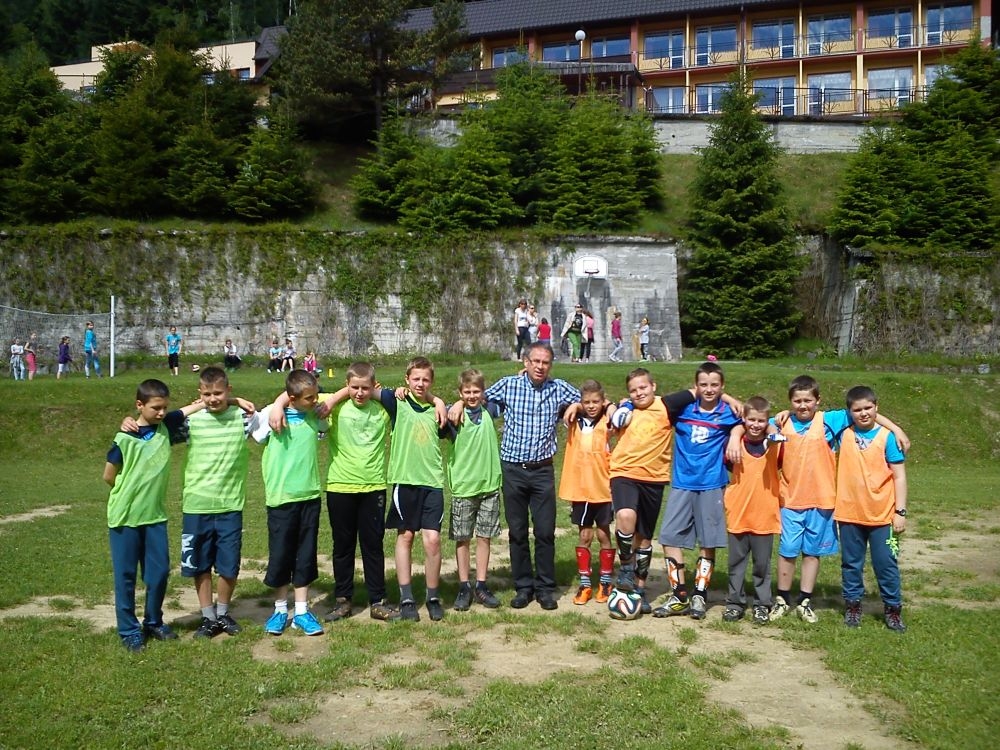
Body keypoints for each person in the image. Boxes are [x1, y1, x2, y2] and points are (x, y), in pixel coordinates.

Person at [450, 342, 580, 610]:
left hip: (542, 470)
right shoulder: (509, 385)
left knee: (545, 531)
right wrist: (458, 403)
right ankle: (523, 587)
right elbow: (477, 396)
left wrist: (575, 406)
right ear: (526, 362)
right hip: (513, 470)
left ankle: (544, 588)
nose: (540, 366)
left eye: (545, 362)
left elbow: (591, 400)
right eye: (536, 361)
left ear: (550, 365)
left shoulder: (558, 388)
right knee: (518, 531)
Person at [770, 375, 908, 624]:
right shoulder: (783, 421)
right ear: (790, 401)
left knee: (818, 553)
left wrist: (896, 429)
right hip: (797, 501)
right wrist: (779, 419)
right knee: (791, 551)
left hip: (827, 502)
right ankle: (785, 599)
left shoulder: (831, 420)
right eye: (797, 401)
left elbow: (865, 412)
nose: (803, 405)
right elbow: (756, 423)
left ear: (818, 400)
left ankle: (807, 601)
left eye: (808, 400)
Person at [103, 379, 201, 651]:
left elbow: (190, 409)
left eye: (164, 407)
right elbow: (108, 476)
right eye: (156, 408)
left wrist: (219, 401)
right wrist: (130, 492)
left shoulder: (165, 427)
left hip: (155, 517)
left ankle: (154, 621)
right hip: (124, 517)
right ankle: (129, 630)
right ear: (139, 405)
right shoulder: (123, 438)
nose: (161, 412)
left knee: (158, 573)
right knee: (125, 577)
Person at [304, 362, 401, 623]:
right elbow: (297, 392)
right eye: (354, 387)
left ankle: (378, 601)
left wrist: (377, 393)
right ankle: (343, 600)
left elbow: (403, 397)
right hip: (340, 486)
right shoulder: (334, 407)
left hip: (373, 487)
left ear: (374, 387)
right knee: (343, 546)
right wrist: (335, 397)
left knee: (373, 546)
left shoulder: (383, 409)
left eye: (365, 388)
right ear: (346, 386)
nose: (359, 393)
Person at [653, 361, 742, 620]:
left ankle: (700, 595)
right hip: (682, 482)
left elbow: (751, 419)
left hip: (711, 483)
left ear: (722, 386)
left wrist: (735, 434)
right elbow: (666, 402)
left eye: (715, 385)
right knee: (669, 537)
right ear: (696, 386)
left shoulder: (729, 413)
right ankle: (679, 595)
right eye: (703, 384)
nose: (709, 389)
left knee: (708, 541)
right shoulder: (684, 409)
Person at [607, 368, 696, 614]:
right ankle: (626, 569)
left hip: (654, 479)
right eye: (633, 390)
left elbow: (699, 391)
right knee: (625, 516)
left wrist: (731, 401)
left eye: (643, 387)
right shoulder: (625, 411)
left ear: (653, 386)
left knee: (644, 538)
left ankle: (638, 589)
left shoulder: (666, 405)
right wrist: (613, 406)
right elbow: (603, 408)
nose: (639, 393)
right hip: (624, 472)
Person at [252, 370, 327, 636]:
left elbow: (332, 402)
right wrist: (277, 405)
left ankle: (302, 612)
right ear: (292, 398)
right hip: (281, 499)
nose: (315, 401)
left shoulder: (314, 415)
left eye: (316, 396)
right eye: (309, 398)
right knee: (281, 555)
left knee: (305, 556)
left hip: (309, 497)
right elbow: (255, 433)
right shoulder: (270, 416)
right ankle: (280, 610)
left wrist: (286, 401)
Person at [835, 386, 909, 632]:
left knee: (886, 563)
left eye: (868, 407)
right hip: (849, 513)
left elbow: (899, 476)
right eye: (857, 409)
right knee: (851, 563)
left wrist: (900, 512)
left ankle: (893, 609)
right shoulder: (843, 432)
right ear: (850, 412)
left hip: (883, 515)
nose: (863, 413)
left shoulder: (888, 437)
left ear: (877, 407)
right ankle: (853, 606)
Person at [386, 356, 449, 621]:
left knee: (432, 540)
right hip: (405, 481)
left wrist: (439, 401)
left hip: (432, 482)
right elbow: (366, 388)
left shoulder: (437, 411)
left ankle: (432, 597)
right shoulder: (397, 402)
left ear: (431, 382)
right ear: (407, 379)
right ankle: (407, 598)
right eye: (415, 379)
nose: (420, 384)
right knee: (406, 537)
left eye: (425, 379)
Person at [722, 396, 782, 625]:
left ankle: (762, 604)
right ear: (744, 419)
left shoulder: (773, 444)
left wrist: (772, 429)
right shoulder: (733, 444)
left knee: (762, 565)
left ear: (767, 422)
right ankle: (734, 603)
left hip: (765, 514)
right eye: (751, 420)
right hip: (738, 512)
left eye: (761, 421)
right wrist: (735, 435)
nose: (756, 425)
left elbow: (777, 435)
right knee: (736, 563)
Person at [447, 369, 503, 611]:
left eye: (476, 391)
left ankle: (481, 584)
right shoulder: (454, 416)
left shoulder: (490, 410)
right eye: (467, 392)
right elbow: (441, 414)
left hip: (489, 485)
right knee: (463, 539)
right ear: (460, 393)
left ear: (483, 392)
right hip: (464, 486)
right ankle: (463, 586)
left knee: (484, 537)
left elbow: (506, 396)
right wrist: (457, 404)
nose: (472, 396)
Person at [559, 380, 614, 605]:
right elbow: (560, 407)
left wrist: (609, 405)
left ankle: (606, 582)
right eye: (587, 402)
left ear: (602, 401)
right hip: (581, 489)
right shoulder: (574, 419)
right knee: (585, 536)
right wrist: (575, 406)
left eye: (596, 402)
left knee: (603, 534)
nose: (591, 406)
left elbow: (619, 409)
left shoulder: (609, 419)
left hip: (603, 488)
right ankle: (585, 584)